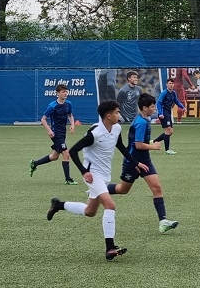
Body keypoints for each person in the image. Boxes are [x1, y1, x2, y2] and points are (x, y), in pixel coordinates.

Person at [47, 99, 144, 260]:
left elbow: (120, 146)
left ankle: (58, 205)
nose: (119, 114)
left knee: (90, 211)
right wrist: (84, 171)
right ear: (108, 115)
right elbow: (73, 151)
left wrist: (136, 163)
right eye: (117, 112)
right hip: (92, 175)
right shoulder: (95, 133)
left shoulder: (117, 128)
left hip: (104, 175)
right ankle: (110, 248)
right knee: (110, 206)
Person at [105, 93, 179, 233]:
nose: (154, 108)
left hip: (145, 160)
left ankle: (163, 221)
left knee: (157, 187)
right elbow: (138, 145)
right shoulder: (141, 123)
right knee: (123, 189)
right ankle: (100, 190)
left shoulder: (145, 119)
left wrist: (150, 145)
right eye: (152, 106)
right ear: (145, 108)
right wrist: (153, 146)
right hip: (132, 161)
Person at [29, 83, 77, 184]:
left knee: (54, 156)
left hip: (63, 132)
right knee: (66, 154)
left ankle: (34, 163)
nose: (65, 93)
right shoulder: (52, 106)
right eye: (63, 92)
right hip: (56, 133)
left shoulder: (68, 104)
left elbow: (70, 115)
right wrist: (49, 130)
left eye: (66, 92)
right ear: (57, 93)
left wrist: (72, 125)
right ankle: (68, 179)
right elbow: (43, 119)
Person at [154, 77, 183, 154]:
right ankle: (167, 150)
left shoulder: (173, 93)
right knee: (168, 131)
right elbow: (159, 103)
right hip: (164, 113)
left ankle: (155, 141)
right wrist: (160, 113)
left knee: (170, 132)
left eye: (172, 83)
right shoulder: (164, 93)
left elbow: (176, 101)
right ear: (167, 84)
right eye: (170, 83)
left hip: (168, 113)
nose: (171, 85)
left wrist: (183, 107)